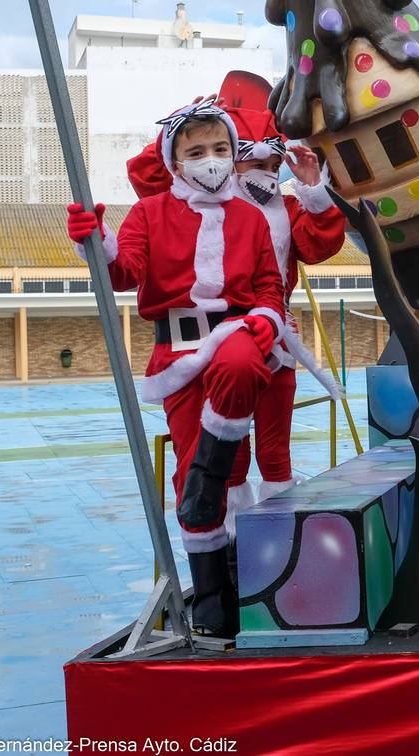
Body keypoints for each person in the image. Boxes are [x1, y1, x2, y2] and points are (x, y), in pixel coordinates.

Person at [66, 100, 287, 636]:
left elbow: (268, 289)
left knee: (236, 361)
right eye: (195, 152)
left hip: (236, 336)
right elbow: (124, 270)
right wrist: (94, 240)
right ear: (175, 160)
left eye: (218, 149)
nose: (209, 160)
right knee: (201, 478)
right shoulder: (149, 213)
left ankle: (208, 486)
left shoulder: (252, 218)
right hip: (178, 357)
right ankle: (214, 597)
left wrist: (266, 320)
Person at [125, 98, 347, 540]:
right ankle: (226, 541)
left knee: (275, 451)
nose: (263, 170)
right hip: (206, 346)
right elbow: (147, 175)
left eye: (271, 161)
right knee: (230, 456)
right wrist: (185, 125)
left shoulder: (286, 207)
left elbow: (319, 246)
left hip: (274, 339)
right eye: (251, 160)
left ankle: (278, 544)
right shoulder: (200, 203)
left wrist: (314, 192)